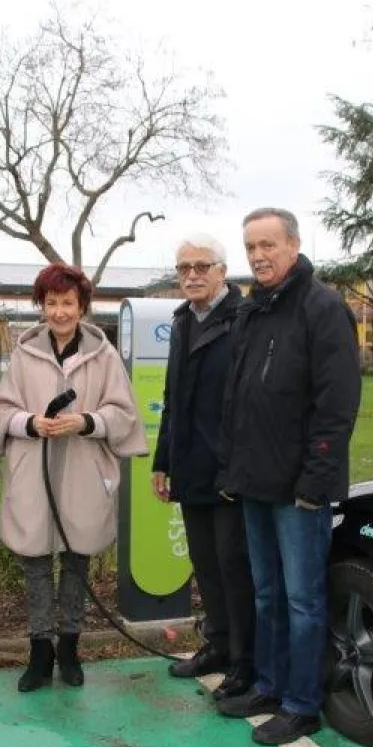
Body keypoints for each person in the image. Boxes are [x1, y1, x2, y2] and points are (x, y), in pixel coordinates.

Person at [215, 207, 361, 746]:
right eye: (251, 246)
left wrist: (315, 481)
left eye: (268, 245)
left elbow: (337, 404)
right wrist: (232, 468)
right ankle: (269, 685)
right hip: (254, 482)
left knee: (303, 600)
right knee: (267, 595)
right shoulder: (253, 310)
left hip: (300, 490)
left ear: (294, 246)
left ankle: (302, 704)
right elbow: (237, 400)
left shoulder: (323, 308)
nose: (258, 256)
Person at [0, 264, 147, 693]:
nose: (59, 312)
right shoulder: (24, 354)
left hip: (82, 472)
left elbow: (124, 413)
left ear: (82, 307)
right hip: (33, 472)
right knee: (36, 562)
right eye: (52, 303)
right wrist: (30, 423)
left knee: (77, 561)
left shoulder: (104, 356)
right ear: (42, 306)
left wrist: (86, 422)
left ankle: (71, 648)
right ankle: (40, 651)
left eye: (68, 303)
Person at [152, 235, 255, 700]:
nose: (191, 275)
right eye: (183, 268)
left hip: (231, 470)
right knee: (206, 565)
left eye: (201, 266)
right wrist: (163, 460)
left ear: (222, 271)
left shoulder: (244, 319)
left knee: (235, 568)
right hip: (191, 468)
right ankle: (218, 646)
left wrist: (239, 463)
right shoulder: (182, 321)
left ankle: (245, 662)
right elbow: (172, 399)